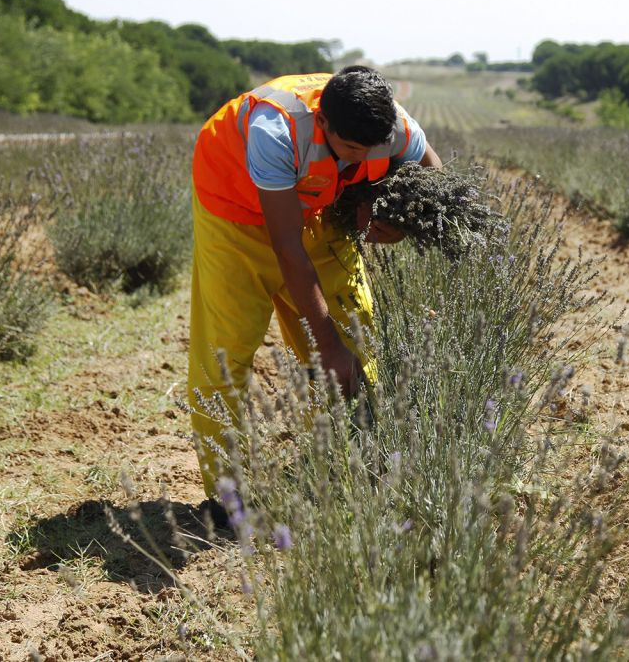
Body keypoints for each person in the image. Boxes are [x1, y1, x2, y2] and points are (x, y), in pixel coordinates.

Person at [187, 65, 440, 501]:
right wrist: (328, 347)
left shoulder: (391, 125)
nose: (362, 158)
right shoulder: (275, 131)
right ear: (323, 122)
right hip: (234, 213)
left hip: (314, 209)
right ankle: (228, 498)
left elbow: (432, 176)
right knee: (225, 354)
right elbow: (288, 249)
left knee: (356, 335)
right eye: (351, 149)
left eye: (372, 149)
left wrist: (396, 217)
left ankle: (342, 467)